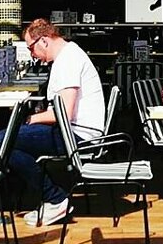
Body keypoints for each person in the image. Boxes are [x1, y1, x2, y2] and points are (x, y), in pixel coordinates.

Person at [8, 18, 104, 228]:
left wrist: (31, 119)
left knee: (3, 141)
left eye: (31, 49)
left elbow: (64, 114)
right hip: (78, 132)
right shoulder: (68, 55)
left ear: (43, 41)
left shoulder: (68, 61)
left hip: (79, 136)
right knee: (10, 138)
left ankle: (55, 199)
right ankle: (51, 197)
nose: (33, 55)